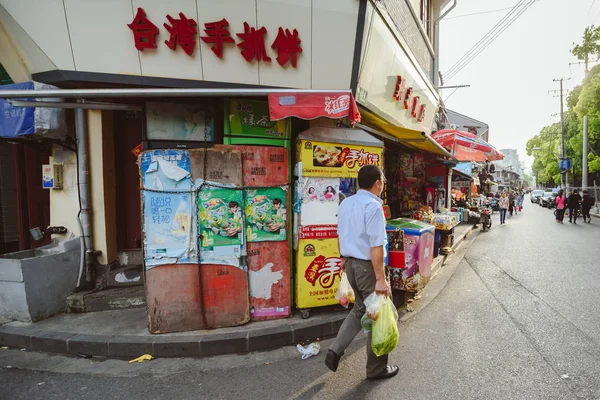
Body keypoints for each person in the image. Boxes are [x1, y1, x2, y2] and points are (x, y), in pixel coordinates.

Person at [326, 165, 398, 380]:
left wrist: (343, 258)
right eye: (383, 180)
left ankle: (335, 349)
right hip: (368, 268)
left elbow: (341, 234)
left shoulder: (346, 203)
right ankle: (376, 369)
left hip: (350, 264)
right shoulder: (373, 207)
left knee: (359, 309)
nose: (383, 183)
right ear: (377, 183)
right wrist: (380, 279)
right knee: (378, 315)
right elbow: (376, 246)